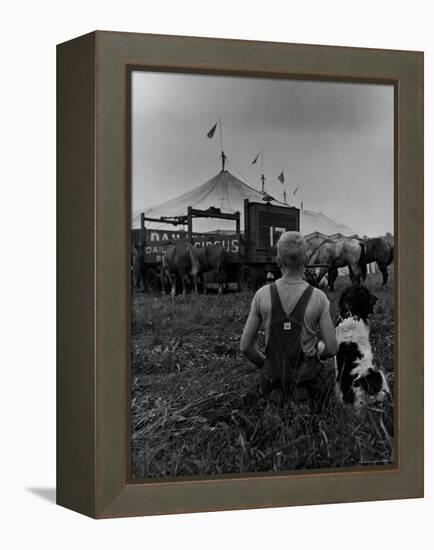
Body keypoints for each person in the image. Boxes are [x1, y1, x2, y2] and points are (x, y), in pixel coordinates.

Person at [240, 231, 338, 406]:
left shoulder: (262, 295)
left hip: (272, 376)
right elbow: (331, 348)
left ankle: (276, 393)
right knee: (317, 382)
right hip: (307, 377)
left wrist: (266, 365)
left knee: (272, 385)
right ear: (306, 260)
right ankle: (303, 394)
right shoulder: (319, 297)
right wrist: (319, 351)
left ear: (278, 261)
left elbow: (245, 346)